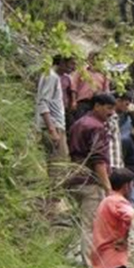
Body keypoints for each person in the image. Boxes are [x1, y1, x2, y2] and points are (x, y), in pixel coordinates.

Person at [68, 93, 116, 268]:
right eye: (108, 108)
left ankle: (73, 257)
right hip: (90, 182)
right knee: (91, 226)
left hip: (74, 178)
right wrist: (108, 187)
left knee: (80, 221)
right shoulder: (97, 127)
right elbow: (99, 160)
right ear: (97, 106)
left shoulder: (78, 123)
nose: (111, 113)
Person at [36, 54, 74, 183]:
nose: (73, 68)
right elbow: (43, 103)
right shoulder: (51, 77)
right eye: (71, 64)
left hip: (55, 125)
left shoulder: (53, 76)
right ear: (62, 62)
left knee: (56, 165)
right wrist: (52, 130)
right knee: (58, 167)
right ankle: (52, 199)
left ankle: (51, 198)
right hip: (54, 126)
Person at [71, 52, 110, 122]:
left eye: (98, 60)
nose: (94, 61)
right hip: (82, 102)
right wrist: (73, 101)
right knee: (79, 121)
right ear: (89, 60)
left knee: (91, 122)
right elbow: (74, 86)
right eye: (92, 59)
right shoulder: (82, 71)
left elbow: (106, 91)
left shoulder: (104, 74)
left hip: (96, 104)